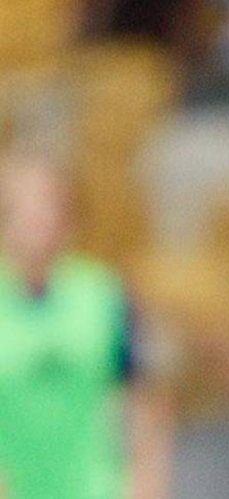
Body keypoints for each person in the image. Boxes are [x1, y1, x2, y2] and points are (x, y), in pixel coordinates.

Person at [0, 151, 169, 498]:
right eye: (24, 206)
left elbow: (143, 403)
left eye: (47, 203)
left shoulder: (104, 295)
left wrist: (146, 486)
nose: (37, 218)